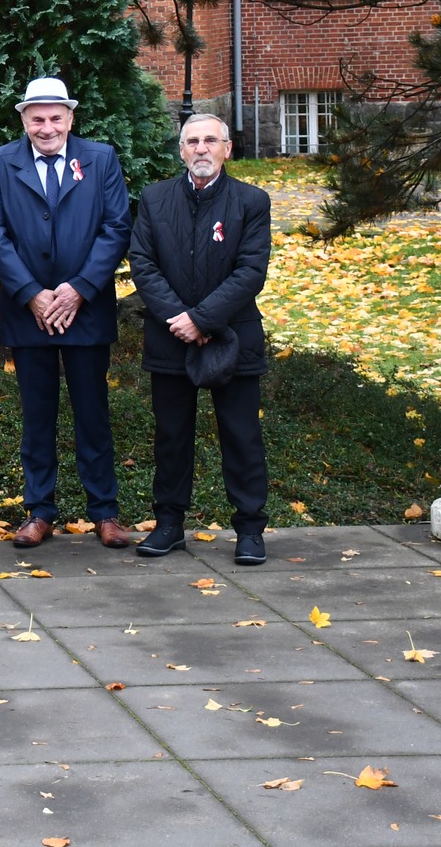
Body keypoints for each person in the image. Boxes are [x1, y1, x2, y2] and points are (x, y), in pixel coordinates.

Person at [0, 77, 134, 550]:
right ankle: (39, 511)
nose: (47, 127)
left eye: (55, 118)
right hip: (30, 313)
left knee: (93, 414)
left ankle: (105, 512)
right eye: (37, 119)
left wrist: (79, 289)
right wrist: (32, 294)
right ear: (24, 120)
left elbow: (116, 227)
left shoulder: (100, 159)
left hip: (86, 310)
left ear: (70, 118)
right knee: (37, 416)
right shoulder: (1, 163)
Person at [128, 113, 274, 565]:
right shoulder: (154, 199)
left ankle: (250, 529)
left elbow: (251, 271)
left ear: (228, 149)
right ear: (181, 151)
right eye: (192, 142)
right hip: (170, 336)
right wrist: (178, 317)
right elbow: (142, 263)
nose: (201, 149)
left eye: (211, 140)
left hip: (233, 338)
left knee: (241, 435)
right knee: (171, 436)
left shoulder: (251, 201)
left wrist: (203, 320)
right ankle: (169, 524)